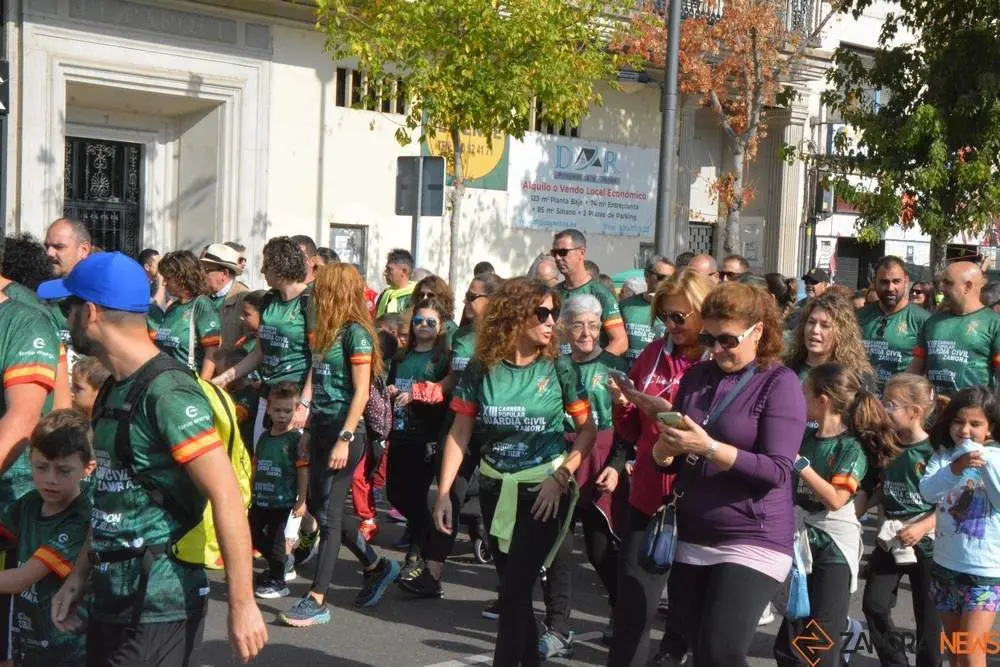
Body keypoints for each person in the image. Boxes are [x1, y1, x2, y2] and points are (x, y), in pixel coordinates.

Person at [40, 252, 267, 664]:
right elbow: (113, 494)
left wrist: (242, 603)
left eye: (66, 307)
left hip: (160, 604)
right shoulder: (112, 387)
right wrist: (78, 575)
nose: (63, 316)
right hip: (111, 598)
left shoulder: (168, 394)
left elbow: (225, 494)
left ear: (90, 312)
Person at [611, 281, 806, 667]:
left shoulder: (779, 382)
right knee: (703, 651)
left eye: (728, 340)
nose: (716, 349)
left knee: (721, 650)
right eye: (709, 338)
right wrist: (665, 452)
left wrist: (710, 448)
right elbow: (672, 461)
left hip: (754, 536)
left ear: (759, 332)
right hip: (693, 535)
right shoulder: (698, 378)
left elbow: (779, 470)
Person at [434, 277, 597, 666]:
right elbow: (459, 433)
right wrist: (444, 493)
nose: (550, 321)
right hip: (494, 490)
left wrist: (561, 478)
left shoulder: (559, 366)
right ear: (514, 315)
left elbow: (588, 430)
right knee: (513, 589)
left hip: (545, 491)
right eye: (542, 313)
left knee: (513, 593)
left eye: (554, 313)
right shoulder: (481, 369)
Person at [277, 263, 399, 627]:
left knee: (329, 516)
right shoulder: (324, 330)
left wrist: (345, 437)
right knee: (317, 503)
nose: (314, 291)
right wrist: (310, 423)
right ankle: (376, 566)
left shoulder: (357, 334)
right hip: (322, 429)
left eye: (321, 286)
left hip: (348, 433)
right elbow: (319, 378)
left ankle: (317, 597)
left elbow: (361, 392)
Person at [606, 270, 715, 667]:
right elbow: (634, 431)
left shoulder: (716, 361)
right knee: (633, 604)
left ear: (703, 313)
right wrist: (624, 407)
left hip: (700, 499)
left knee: (697, 616)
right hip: (649, 491)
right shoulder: (653, 353)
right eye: (664, 317)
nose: (670, 326)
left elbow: (717, 433)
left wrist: (668, 414)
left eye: (679, 317)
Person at [774, 363, 899, 667]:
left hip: (833, 548)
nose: (799, 399)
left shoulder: (851, 447)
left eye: (804, 393)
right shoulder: (805, 437)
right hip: (801, 541)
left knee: (820, 638)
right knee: (789, 640)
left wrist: (799, 464)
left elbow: (836, 498)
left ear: (823, 399)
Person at [400, 272, 503, 599]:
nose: (466, 302)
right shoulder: (461, 336)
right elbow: (452, 377)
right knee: (449, 496)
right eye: (467, 295)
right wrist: (437, 388)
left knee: (498, 505)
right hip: (458, 425)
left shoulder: (504, 336)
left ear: (493, 300)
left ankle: (511, 586)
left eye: (474, 297)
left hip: (493, 430)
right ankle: (432, 573)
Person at [540, 295, 628, 659]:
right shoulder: (553, 366)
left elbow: (628, 423)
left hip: (601, 455)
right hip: (558, 455)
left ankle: (622, 609)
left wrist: (618, 465)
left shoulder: (614, 366)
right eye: (577, 324)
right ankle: (557, 626)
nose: (587, 332)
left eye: (593, 325)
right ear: (564, 327)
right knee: (555, 542)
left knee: (599, 548)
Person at [0, 410, 93, 667]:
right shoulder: (30, 503)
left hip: (67, 649)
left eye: (63, 470)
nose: (50, 479)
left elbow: (21, 579)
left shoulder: (81, 519)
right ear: (30, 459)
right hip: (27, 641)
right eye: (41, 467)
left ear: (88, 468)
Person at [862, 373, 941, 667]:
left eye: (891, 405)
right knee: (874, 604)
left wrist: (922, 526)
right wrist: (851, 509)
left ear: (915, 412)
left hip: (929, 544)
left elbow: (952, 504)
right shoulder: (886, 446)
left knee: (928, 621)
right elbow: (882, 488)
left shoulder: (936, 452)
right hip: (891, 540)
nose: (883, 409)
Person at [919, 387, 1000, 667]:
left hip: (985, 572)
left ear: (990, 428)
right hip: (945, 566)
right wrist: (957, 467)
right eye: (958, 421)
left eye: (975, 424)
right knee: (954, 651)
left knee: (970, 651)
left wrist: (982, 460)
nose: (965, 430)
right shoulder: (943, 457)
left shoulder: (996, 458)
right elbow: (928, 492)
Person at [387, 300, 451, 582]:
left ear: (440, 327)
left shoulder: (442, 359)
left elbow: (444, 393)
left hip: (425, 435)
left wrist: (417, 393)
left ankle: (418, 553)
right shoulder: (402, 356)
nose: (423, 326)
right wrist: (390, 389)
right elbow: (390, 384)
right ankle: (421, 537)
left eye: (430, 322)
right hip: (398, 431)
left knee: (415, 493)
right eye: (418, 321)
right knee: (394, 494)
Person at [250, 382, 308, 599]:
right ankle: (281, 563)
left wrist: (302, 500)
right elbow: (257, 465)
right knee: (251, 533)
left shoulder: (297, 439)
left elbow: (303, 472)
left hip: (281, 500)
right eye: (277, 410)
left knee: (276, 540)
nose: (282, 416)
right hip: (260, 498)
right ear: (268, 409)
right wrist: (250, 490)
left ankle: (278, 579)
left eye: (287, 411)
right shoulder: (265, 436)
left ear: (296, 410)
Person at [910, 261, 1000, 398]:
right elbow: (915, 370)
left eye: (948, 283)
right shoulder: (932, 322)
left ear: (967, 286)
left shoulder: (994, 323)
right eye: (941, 282)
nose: (941, 288)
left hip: (972, 415)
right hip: (936, 414)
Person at [859, 256, 931, 391]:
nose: (890, 288)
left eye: (896, 281)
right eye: (884, 282)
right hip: (863, 398)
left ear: (906, 281)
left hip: (901, 401)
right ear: (874, 282)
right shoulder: (860, 316)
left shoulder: (923, 320)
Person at [551, 229, 627, 356]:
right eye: (554, 253)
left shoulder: (600, 293)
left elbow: (620, 342)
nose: (558, 258)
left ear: (581, 252)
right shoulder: (553, 293)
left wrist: (593, 367)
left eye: (563, 252)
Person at [148, 250, 221, 380]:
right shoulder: (173, 307)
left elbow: (212, 351)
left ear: (182, 278)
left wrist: (204, 385)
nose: (164, 283)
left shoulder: (201, 305)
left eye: (167, 279)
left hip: (191, 384)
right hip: (168, 382)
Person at [786, 292, 875, 383]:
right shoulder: (787, 369)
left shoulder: (856, 378)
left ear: (841, 332)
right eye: (811, 322)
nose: (815, 330)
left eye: (825, 325)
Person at [200, 243, 250, 374]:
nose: (202, 275)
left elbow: (252, 343)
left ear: (224, 273)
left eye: (207, 270)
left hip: (232, 380)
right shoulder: (202, 298)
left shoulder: (244, 299)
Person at [619, 255, 672, 367]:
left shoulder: (676, 309)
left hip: (658, 375)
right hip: (628, 374)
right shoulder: (625, 306)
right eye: (661, 277)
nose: (667, 283)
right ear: (647, 275)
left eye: (671, 279)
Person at [413, 274, 458, 342]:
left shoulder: (449, 327)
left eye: (430, 295)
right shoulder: (412, 320)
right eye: (421, 295)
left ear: (442, 298)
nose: (425, 298)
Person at [375, 248, 416, 317]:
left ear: (404, 271)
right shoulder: (385, 294)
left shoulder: (414, 297)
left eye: (389, 269)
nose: (384, 273)